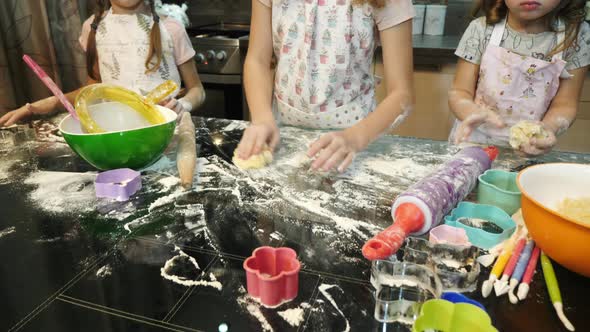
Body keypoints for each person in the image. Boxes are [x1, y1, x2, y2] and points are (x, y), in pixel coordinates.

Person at [236, 0, 415, 172]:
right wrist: (262, 118)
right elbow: (258, 60)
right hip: (282, 139)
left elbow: (402, 94)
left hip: (356, 140)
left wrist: (356, 137)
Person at [0, 0, 204, 127]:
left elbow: (197, 90)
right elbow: (93, 89)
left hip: (167, 133)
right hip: (116, 132)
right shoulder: (93, 28)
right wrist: (41, 106)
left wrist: (183, 104)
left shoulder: (171, 28)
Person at [449, 0, 589, 155]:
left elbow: (565, 105)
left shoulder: (576, 36)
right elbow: (460, 92)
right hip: (473, 145)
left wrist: (547, 130)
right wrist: (470, 112)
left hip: (530, 150)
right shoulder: (481, 29)